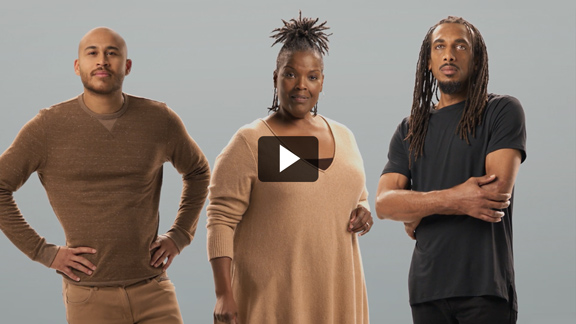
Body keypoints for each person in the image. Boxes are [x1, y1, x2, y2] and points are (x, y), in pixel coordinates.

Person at [0, 27, 210, 324]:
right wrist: (43, 252)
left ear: (127, 66)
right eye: (92, 53)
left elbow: (198, 172)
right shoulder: (48, 127)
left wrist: (180, 234)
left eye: (112, 53)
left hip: (154, 290)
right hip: (90, 297)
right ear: (77, 66)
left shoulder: (159, 119)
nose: (102, 60)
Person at [207, 13, 372, 324]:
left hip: (337, 294)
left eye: (312, 76)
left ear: (322, 81)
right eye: (290, 74)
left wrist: (363, 210)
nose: (301, 86)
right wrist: (223, 293)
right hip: (274, 302)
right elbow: (220, 221)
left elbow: (353, 195)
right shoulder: (252, 141)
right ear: (275, 78)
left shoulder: (345, 136)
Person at [376, 16, 526, 324]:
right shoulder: (410, 128)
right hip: (426, 289)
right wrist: (455, 198)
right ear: (428, 61)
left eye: (460, 45)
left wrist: (418, 207)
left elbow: (495, 194)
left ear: (476, 58)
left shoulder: (501, 111)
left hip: (484, 288)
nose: (449, 54)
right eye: (440, 46)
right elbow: (384, 203)